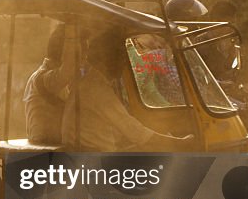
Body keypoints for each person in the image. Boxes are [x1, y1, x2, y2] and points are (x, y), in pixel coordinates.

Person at [63, 31, 193, 151]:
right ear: (107, 58)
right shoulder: (97, 90)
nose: (124, 62)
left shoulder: (91, 82)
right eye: (120, 56)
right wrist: (181, 143)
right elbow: (137, 134)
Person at [23, 24, 70, 145]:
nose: (84, 56)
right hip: (45, 154)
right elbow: (68, 68)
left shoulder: (56, 80)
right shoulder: (44, 79)